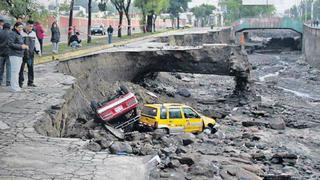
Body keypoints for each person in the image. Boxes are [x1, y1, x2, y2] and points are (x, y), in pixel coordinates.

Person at [19, 20, 41, 88]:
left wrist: (38, 50)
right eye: (30, 26)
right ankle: (20, 82)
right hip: (22, 54)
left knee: (30, 68)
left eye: (32, 26)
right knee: (21, 69)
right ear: (26, 25)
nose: (31, 27)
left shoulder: (33, 33)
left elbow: (36, 43)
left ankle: (30, 82)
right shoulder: (21, 33)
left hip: (30, 55)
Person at [8, 22, 29, 92]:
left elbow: (19, 43)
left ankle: (16, 86)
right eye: (19, 27)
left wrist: (24, 46)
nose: (21, 28)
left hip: (19, 55)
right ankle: (14, 87)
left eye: (22, 27)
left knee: (17, 72)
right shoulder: (12, 33)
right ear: (15, 27)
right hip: (14, 55)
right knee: (14, 71)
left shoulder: (19, 34)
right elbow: (10, 44)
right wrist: (21, 46)